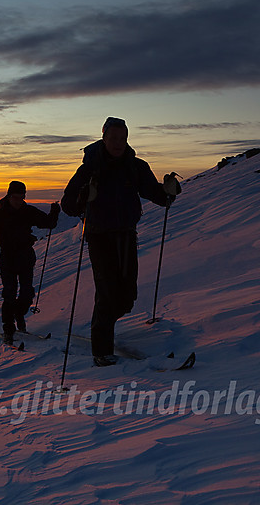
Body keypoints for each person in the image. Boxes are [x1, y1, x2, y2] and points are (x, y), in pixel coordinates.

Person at [61, 117, 178, 367]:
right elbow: (68, 204)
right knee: (107, 292)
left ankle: (105, 328)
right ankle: (102, 350)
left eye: (122, 138)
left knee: (127, 297)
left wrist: (169, 193)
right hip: (98, 235)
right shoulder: (90, 167)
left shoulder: (135, 166)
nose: (118, 143)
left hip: (126, 234)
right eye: (113, 138)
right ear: (103, 137)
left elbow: (155, 194)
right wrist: (84, 196)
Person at [0, 181, 60, 345]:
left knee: (26, 293)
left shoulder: (28, 211)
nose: (18, 200)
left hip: (24, 257)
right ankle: (8, 328)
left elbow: (48, 223)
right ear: (9, 196)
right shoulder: (1, 214)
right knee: (9, 293)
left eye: (21, 197)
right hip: (8, 258)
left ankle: (18, 314)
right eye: (15, 197)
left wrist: (54, 213)